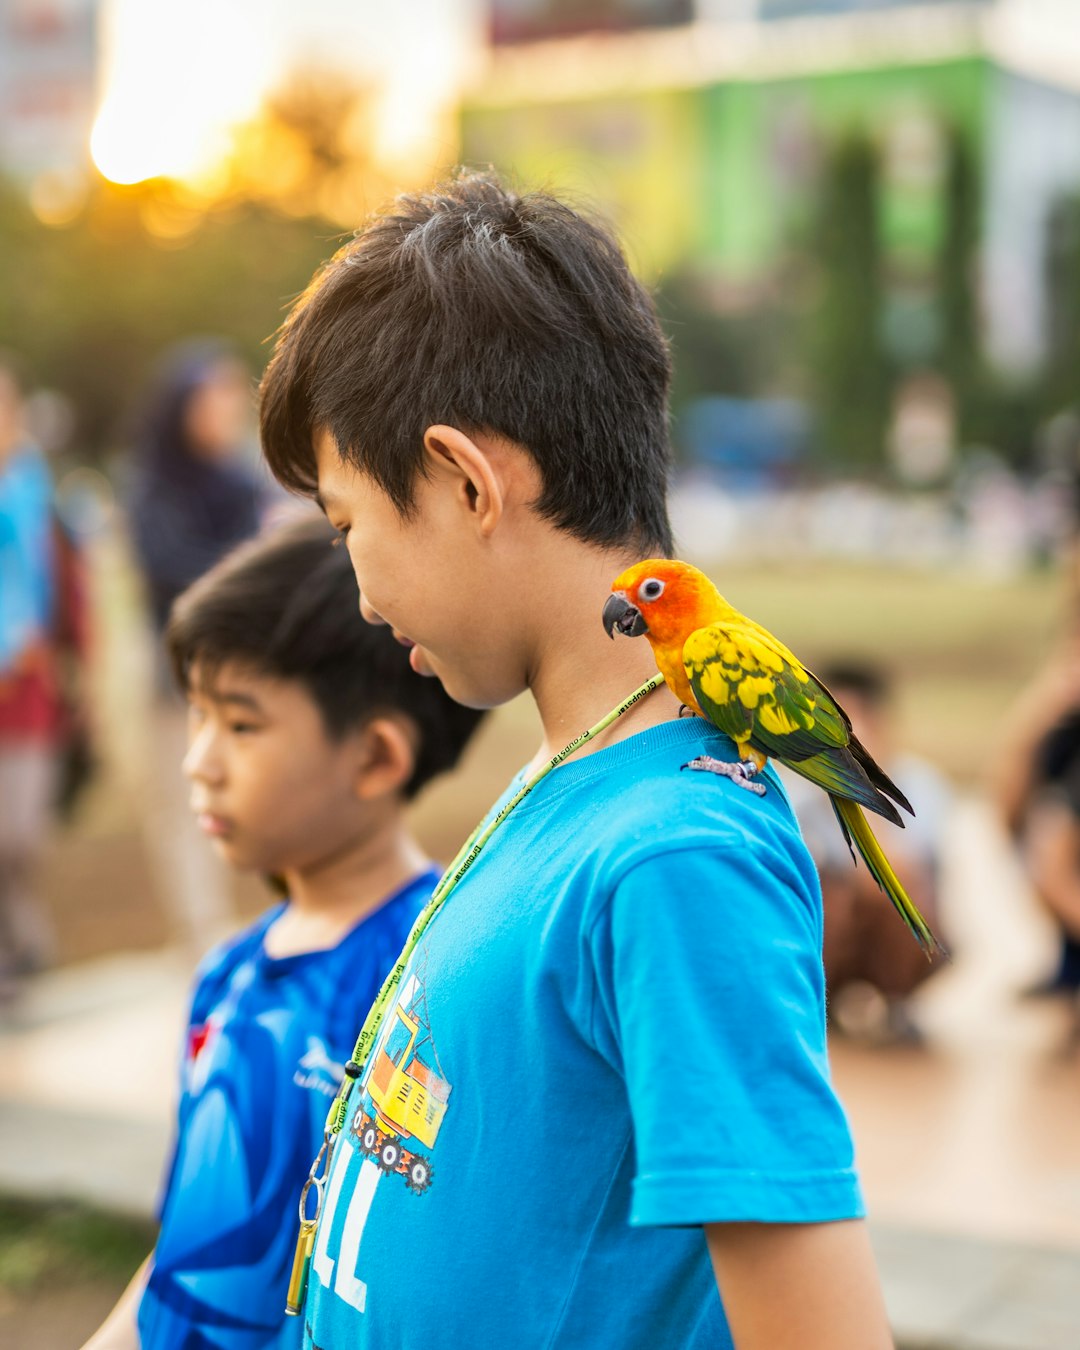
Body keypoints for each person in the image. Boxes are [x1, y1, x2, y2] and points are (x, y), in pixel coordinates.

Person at [257, 173, 892, 1348]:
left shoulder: (679, 857)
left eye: (350, 527)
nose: (357, 586)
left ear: (464, 480)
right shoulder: (570, 771)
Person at [81, 515, 484, 1349]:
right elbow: (186, 1245)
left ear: (375, 759)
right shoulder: (228, 969)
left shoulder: (429, 967)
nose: (200, 761)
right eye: (197, 717)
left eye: (241, 724)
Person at [127, 340, 264, 946]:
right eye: (214, 400)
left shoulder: (243, 482)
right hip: (177, 674)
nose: (226, 413)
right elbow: (169, 569)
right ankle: (203, 934)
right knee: (186, 805)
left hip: (250, 668)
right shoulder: (152, 485)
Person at [782, 661, 950, 1041]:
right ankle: (825, 998)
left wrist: (858, 784)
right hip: (836, 935)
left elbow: (906, 870)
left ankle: (897, 997)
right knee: (823, 893)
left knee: (898, 884)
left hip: (905, 935)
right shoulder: (796, 791)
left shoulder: (920, 785)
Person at [0, 353, 89, 1000]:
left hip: (28, 686)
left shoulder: (40, 495)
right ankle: (16, 950)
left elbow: (70, 587)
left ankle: (21, 931)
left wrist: (77, 664)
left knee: (19, 831)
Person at [996, 638, 1080, 998]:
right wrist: (1048, 700)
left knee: (1052, 840)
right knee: (1045, 828)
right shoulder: (1065, 736)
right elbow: (1007, 807)